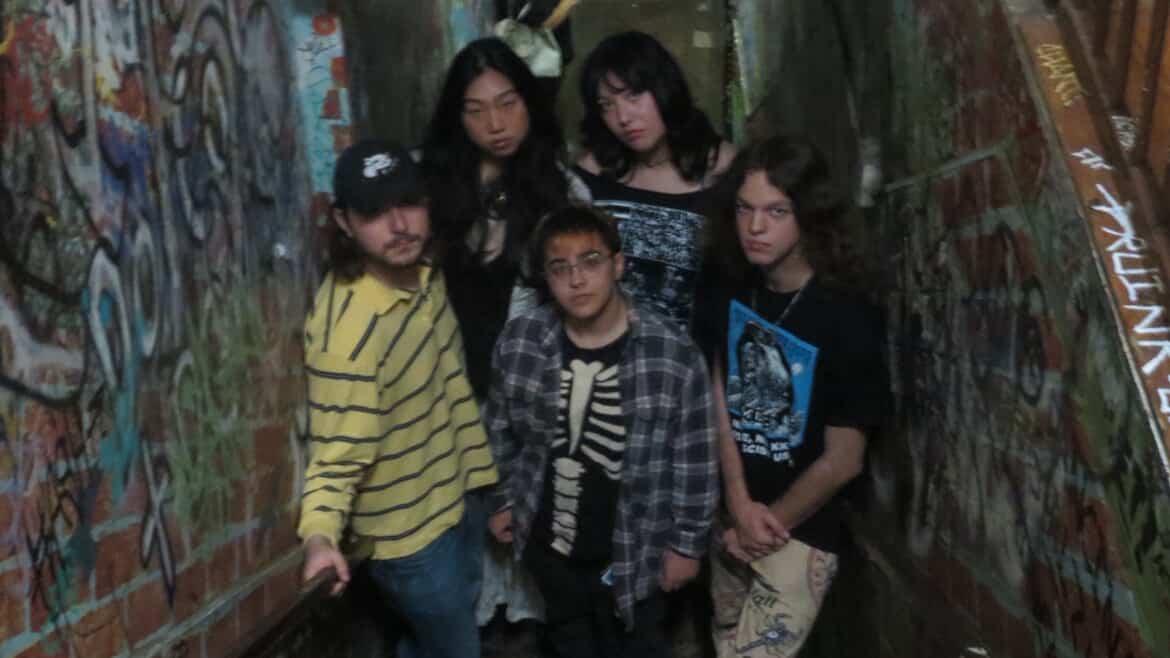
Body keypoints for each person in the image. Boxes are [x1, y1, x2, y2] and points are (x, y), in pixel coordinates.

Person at [484, 206, 719, 657]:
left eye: (590, 261)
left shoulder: (671, 353)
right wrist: (503, 500)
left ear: (618, 264)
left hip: (638, 552)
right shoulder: (520, 341)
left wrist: (686, 545)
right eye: (560, 268)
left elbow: (694, 460)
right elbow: (499, 431)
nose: (576, 280)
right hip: (549, 549)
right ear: (546, 278)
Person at [298, 139, 499, 658]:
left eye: (408, 203)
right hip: (410, 539)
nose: (400, 225)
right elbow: (335, 455)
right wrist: (320, 536)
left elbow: (452, 386)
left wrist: (481, 482)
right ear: (344, 222)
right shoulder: (351, 331)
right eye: (375, 213)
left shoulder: (426, 272)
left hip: (458, 493)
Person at [695, 136, 889, 658]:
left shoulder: (847, 314)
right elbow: (719, 395)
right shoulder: (730, 286)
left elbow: (844, 460)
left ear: (808, 214)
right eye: (745, 209)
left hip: (801, 530)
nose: (755, 228)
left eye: (776, 211)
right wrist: (736, 503)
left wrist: (765, 524)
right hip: (733, 517)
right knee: (724, 643)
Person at [422, 36, 589, 626]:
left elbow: (589, 298)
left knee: (533, 534)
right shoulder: (429, 193)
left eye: (509, 102)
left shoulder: (562, 191)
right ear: (455, 116)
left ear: (530, 104)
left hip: (535, 393)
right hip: (451, 394)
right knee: (464, 538)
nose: (496, 123)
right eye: (476, 109)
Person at [574, 30, 735, 332]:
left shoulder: (723, 169)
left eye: (633, 96)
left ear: (663, 88)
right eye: (606, 105)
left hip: (692, 359)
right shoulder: (590, 175)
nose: (623, 117)